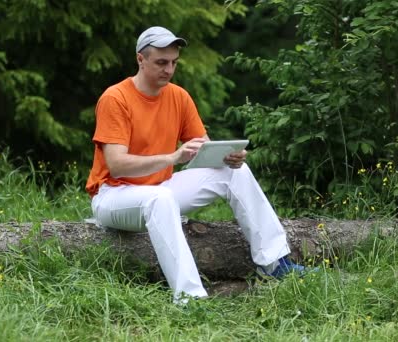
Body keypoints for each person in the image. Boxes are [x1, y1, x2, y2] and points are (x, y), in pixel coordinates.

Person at [85, 26, 305, 303]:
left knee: (232, 172)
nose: (169, 69)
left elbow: (205, 151)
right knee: (160, 198)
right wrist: (173, 157)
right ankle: (190, 298)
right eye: (161, 62)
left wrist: (226, 156)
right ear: (140, 60)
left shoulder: (178, 96)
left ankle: (275, 264)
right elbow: (116, 165)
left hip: (159, 188)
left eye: (174, 63)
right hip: (113, 197)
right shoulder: (115, 98)